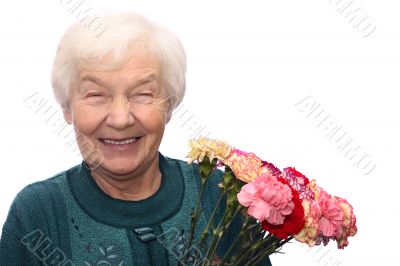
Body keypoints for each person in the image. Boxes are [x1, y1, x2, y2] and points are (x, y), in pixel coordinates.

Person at [0, 12, 272, 265]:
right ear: (67, 108)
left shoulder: (219, 196)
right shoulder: (38, 213)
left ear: (169, 104)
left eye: (143, 94)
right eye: (96, 95)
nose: (120, 119)